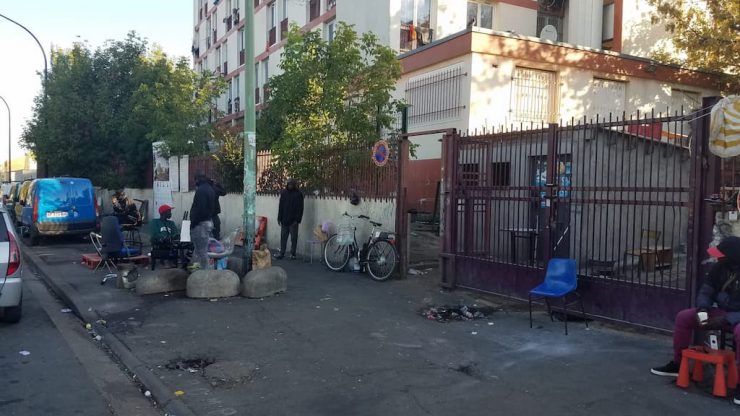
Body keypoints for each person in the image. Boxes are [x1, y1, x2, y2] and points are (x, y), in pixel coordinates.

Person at [651, 236, 740, 405]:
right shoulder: (718, 268)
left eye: (721, 255)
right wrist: (703, 309)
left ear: (732, 257)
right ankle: (677, 365)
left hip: (735, 317)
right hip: (721, 312)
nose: (717, 257)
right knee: (684, 317)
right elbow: (706, 291)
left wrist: (726, 319)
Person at [189, 173, 216, 270]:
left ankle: (205, 273)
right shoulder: (210, 188)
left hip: (201, 224)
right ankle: (196, 269)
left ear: (197, 180)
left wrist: (193, 223)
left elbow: (199, 209)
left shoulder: (201, 190)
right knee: (201, 250)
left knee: (202, 251)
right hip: (208, 221)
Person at [275, 178, 304, 260]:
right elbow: (281, 206)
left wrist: (297, 220)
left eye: (291, 184)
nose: (290, 185)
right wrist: (279, 217)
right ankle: (282, 253)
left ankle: (293, 253)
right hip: (284, 219)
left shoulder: (298, 194)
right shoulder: (284, 193)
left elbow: (300, 208)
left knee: (293, 238)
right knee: (283, 237)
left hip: (293, 221)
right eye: (289, 184)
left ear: (294, 185)